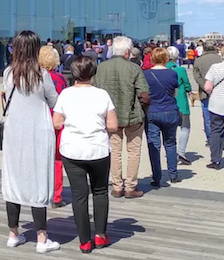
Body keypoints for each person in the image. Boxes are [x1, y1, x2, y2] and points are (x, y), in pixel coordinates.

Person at [0, 31, 60, 254]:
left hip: (14, 133)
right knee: (38, 180)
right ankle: (42, 237)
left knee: (13, 179)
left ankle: (13, 233)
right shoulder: (41, 74)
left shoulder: (8, 73)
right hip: (38, 132)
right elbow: (54, 101)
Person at [53, 55, 117, 253]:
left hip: (72, 149)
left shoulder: (65, 94)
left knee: (79, 195)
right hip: (98, 148)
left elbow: (56, 123)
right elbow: (113, 125)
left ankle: (84, 241)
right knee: (100, 192)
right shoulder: (102, 95)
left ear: (73, 73)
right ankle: (100, 235)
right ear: (93, 72)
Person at [93, 36, 149, 199]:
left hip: (110, 116)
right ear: (127, 52)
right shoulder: (134, 68)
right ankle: (130, 186)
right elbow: (144, 95)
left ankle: (117, 186)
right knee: (133, 152)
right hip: (132, 115)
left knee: (114, 151)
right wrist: (144, 111)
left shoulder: (101, 68)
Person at [143, 47, 182, 186]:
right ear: (166, 58)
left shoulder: (146, 74)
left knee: (154, 145)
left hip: (152, 111)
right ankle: (173, 174)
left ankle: (157, 176)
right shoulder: (172, 74)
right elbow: (175, 93)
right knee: (170, 143)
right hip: (170, 110)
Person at [39, 46, 68, 208]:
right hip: (56, 122)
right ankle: (56, 196)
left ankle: (40, 192)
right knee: (57, 160)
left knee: (40, 160)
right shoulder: (58, 78)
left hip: (39, 123)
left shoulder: (34, 78)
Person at [166, 46, 193, 165]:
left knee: (170, 130)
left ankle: (170, 153)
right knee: (185, 127)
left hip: (166, 103)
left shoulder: (162, 69)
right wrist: (189, 90)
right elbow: (187, 85)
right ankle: (181, 152)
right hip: (181, 102)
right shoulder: (180, 70)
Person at [193, 41, 222, 145]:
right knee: (222, 116)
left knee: (208, 117)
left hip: (205, 92)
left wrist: (205, 86)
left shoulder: (199, 60)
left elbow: (196, 76)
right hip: (220, 91)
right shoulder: (220, 59)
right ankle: (223, 139)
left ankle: (211, 140)